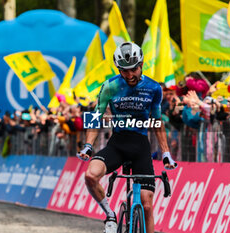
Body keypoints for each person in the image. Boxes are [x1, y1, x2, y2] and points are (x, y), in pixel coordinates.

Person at [77, 42, 177, 233]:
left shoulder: (154, 88)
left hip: (140, 147)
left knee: (147, 205)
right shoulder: (109, 86)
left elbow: (157, 122)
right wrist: (88, 145)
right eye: (124, 71)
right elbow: (96, 117)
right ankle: (110, 215)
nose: (130, 75)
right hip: (117, 145)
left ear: (141, 64)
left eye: (134, 70)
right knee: (90, 175)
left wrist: (166, 153)